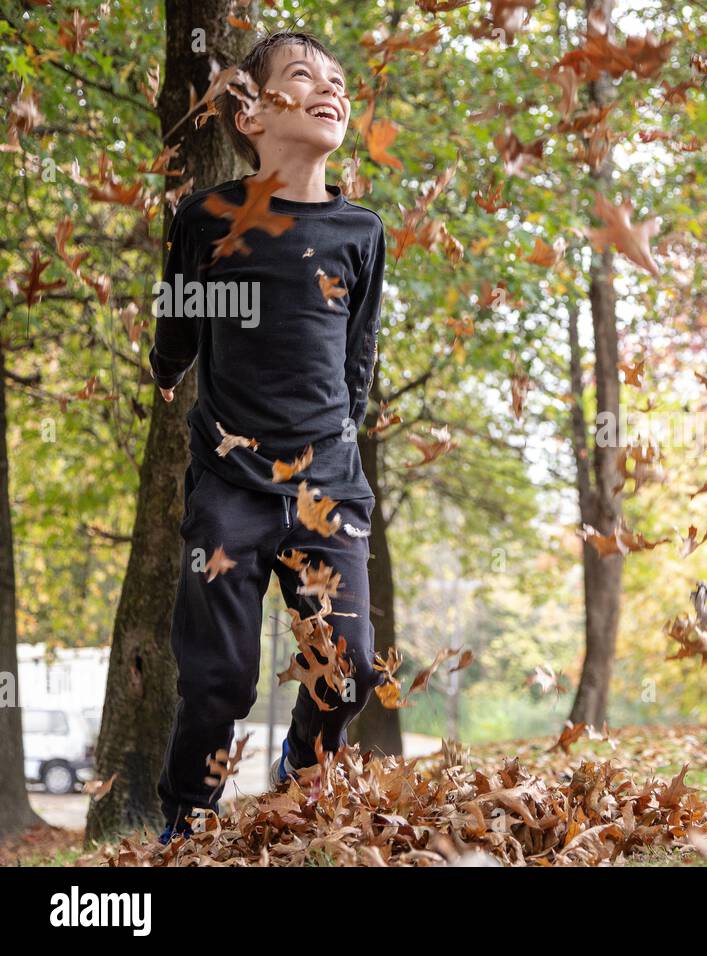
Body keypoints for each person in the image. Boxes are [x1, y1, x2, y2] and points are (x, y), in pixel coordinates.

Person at [151, 31, 387, 843]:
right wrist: (165, 366)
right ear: (250, 114)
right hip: (230, 486)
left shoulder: (361, 231)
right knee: (218, 679)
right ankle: (187, 820)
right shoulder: (209, 216)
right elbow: (181, 315)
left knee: (349, 665)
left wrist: (339, 434)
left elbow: (357, 348)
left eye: (337, 80)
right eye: (300, 77)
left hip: (329, 485)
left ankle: (304, 771)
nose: (328, 89)